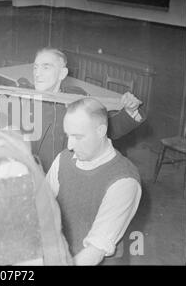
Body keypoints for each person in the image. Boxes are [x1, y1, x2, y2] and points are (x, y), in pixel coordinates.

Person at [46, 98, 142, 265]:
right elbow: (42, 205)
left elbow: (94, 253)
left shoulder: (125, 180)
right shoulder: (63, 159)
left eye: (77, 136)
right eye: (68, 135)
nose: (69, 145)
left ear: (100, 131)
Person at [21, 48, 145, 172]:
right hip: (36, 178)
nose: (37, 74)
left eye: (46, 67)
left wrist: (129, 111)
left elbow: (106, 128)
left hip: (71, 174)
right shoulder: (24, 101)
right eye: (35, 67)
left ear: (62, 73)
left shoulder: (77, 97)